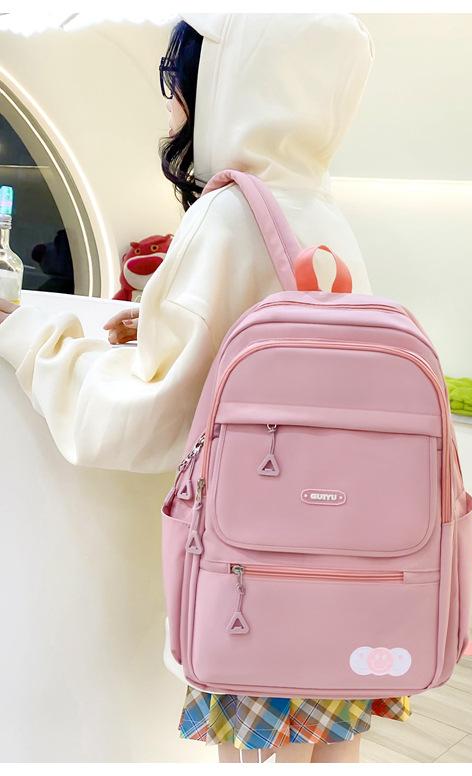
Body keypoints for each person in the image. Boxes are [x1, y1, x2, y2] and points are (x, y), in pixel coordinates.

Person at [0, 13, 410, 764]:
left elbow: (146, 415)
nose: (175, 106)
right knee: (328, 740)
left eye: (182, 83)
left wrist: (31, 336)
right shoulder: (322, 210)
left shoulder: (227, 213)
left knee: (249, 749)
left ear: (230, 82)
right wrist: (162, 321)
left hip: (255, 556)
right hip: (344, 549)